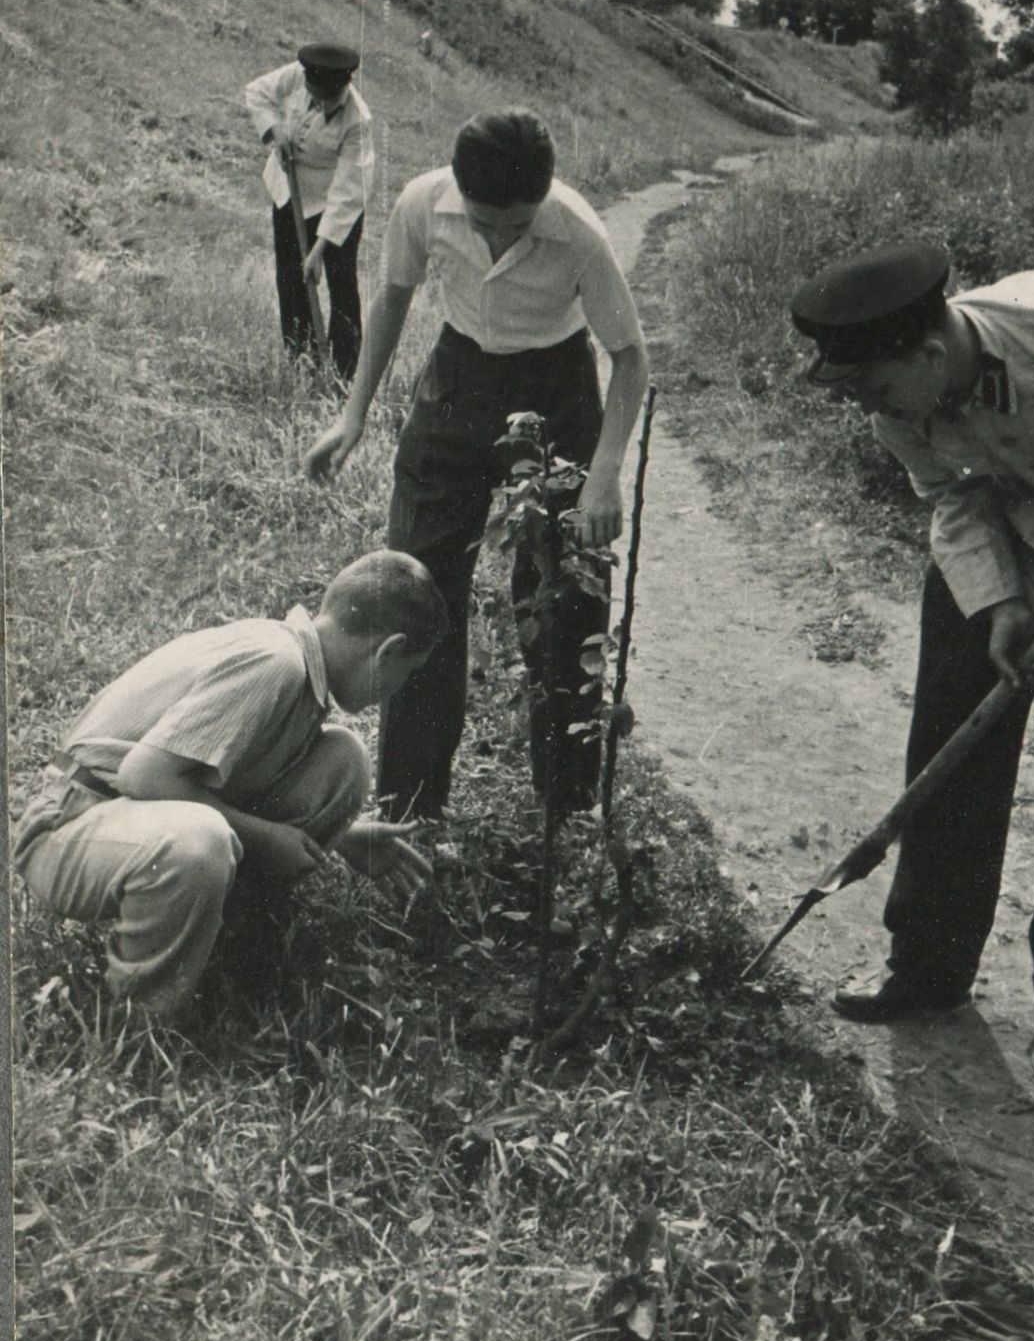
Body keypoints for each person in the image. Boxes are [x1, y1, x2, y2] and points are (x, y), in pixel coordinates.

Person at [789, 241, 1034, 1085]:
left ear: (931, 355)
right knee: (952, 721)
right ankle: (928, 965)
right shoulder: (896, 408)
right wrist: (1001, 602)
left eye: (874, 384)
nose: (866, 405)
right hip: (1012, 529)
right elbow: (952, 495)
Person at [304, 108, 650, 823]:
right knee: (414, 591)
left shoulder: (580, 232)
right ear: (460, 193)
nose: (499, 239)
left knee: (564, 595)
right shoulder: (422, 203)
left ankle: (567, 806)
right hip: (459, 382)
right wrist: (354, 413)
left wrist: (604, 473)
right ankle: (411, 806)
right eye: (486, 224)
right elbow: (394, 297)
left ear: (543, 203)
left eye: (518, 228)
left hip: (556, 389)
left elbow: (630, 356)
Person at [13, 550, 448, 1023]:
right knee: (199, 841)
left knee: (343, 759)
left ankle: (227, 943)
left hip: (128, 819)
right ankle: (142, 1025)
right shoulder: (276, 664)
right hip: (69, 826)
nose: (399, 689)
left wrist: (343, 838)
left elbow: (212, 772)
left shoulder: (302, 669)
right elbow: (145, 776)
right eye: (408, 673)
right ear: (387, 651)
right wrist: (266, 837)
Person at [245, 43, 373, 383]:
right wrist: (275, 129)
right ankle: (300, 358)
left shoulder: (358, 120)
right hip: (290, 193)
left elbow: (349, 192)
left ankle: (344, 374)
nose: (319, 105)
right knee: (290, 278)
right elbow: (256, 93)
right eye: (314, 97)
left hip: (334, 207)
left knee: (340, 284)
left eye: (326, 101)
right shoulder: (296, 76)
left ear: (342, 87)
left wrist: (319, 250)